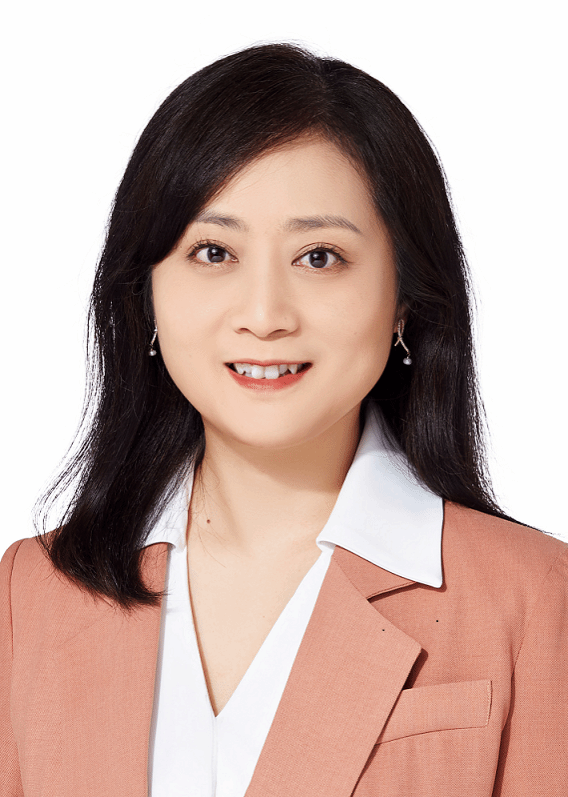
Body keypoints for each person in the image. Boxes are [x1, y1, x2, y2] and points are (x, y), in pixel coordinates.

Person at [1, 43, 567, 797]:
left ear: (403, 296)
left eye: (319, 257)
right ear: (145, 293)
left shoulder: (535, 599)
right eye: (213, 252)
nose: (264, 314)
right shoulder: (33, 594)